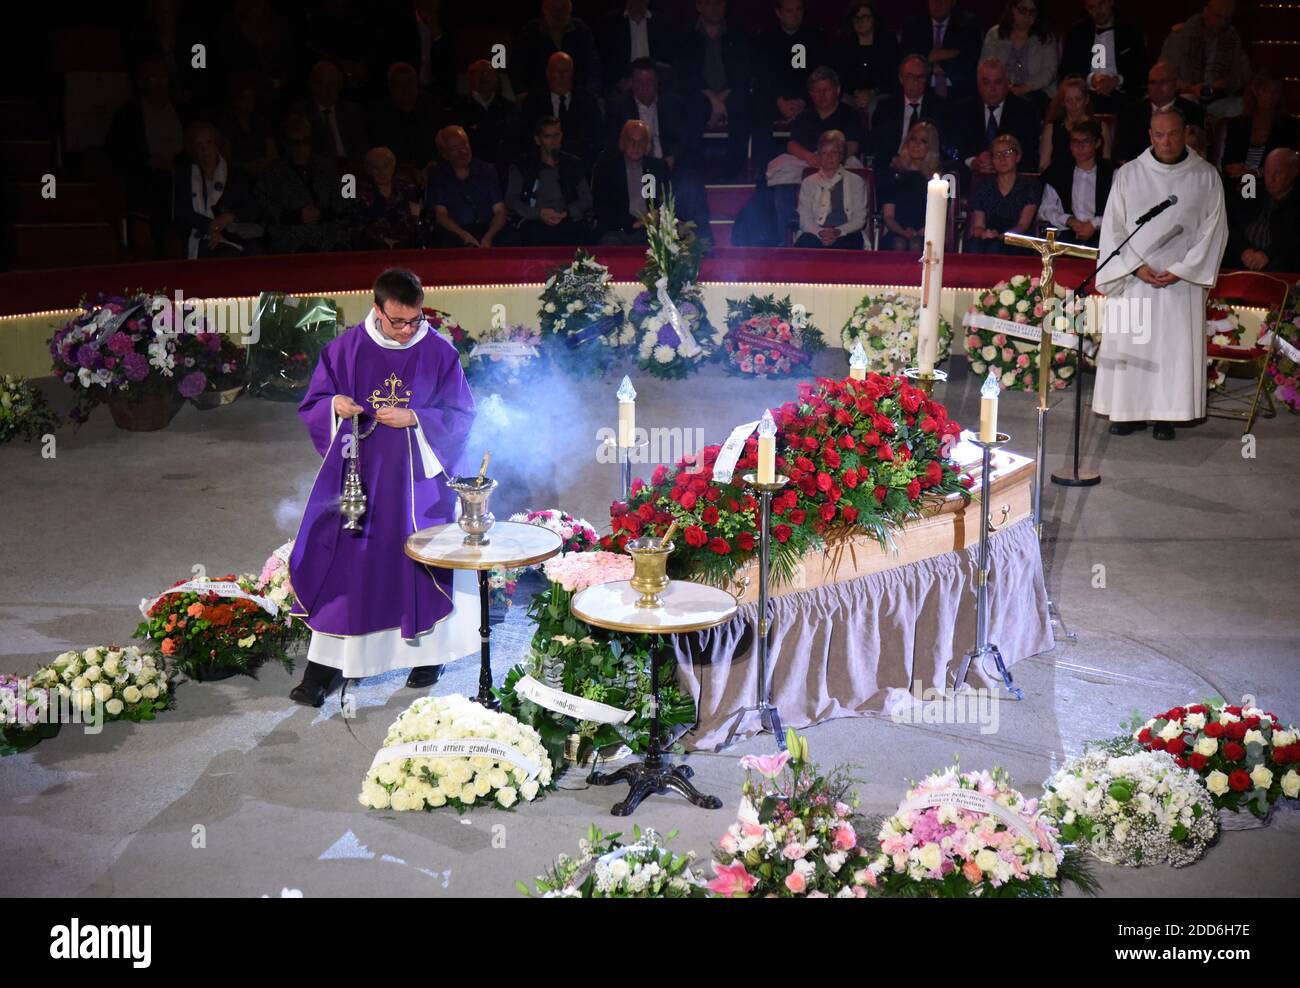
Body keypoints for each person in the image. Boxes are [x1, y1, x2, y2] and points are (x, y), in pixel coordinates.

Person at [288, 268, 478, 706]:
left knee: (418, 561)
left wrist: (416, 417)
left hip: (416, 482)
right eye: (398, 321)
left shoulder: (438, 351)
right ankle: (327, 667)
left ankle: (429, 653)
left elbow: (462, 414)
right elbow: (315, 402)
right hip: (360, 474)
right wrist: (335, 404)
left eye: (415, 320)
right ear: (377, 309)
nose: (408, 329)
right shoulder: (346, 348)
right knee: (347, 562)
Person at [1093, 107, 1229, 440]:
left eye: (1172, 134)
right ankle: (1126, 413)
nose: (1165, 141)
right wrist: (1135, 266)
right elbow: (1113, 227)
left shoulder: (1205, 176)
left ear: (1185, 133)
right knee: (1131, 344)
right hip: (1134, 276)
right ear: (1150, 135)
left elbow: (1214, 230)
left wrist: (1183, 269)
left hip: (1179, 282)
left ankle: (1166, 416)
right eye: (1158, 134)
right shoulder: (1129, 174)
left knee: (1171, 348)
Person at [107, 56, 187, 257]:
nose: (160, 83)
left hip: (184, 175)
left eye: (164, 77)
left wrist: (178, 164)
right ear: (141, 82)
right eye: (153, 78)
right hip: (147, 180)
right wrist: (150, 162)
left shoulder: (184, 110)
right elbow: (119, 152)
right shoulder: (128, 115)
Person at [255, 115, 355, 253]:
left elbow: (344, 200)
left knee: (341, 248)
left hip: (328, 231)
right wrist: (295, 216)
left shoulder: (326, 167)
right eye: (295, 143)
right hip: (290, 234)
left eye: (306, 141)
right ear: (286, 145)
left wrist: (322, 214)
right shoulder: (272, 173)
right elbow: (264, 205)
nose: (301, 148)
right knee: (305, 254)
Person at [677, 0, 752, 180]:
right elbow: (684, 74)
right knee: (690, 107)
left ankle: (732, 172)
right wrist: (711, 96)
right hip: (700, 94)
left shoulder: (738, 34)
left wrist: (723, 95)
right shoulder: (686, 36)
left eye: (720, 3)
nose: (716, 7)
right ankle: (691, 172)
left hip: (731, 92)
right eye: (710, 3)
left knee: (742, 103)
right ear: (699, 6)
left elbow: (744, 71)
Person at [750, 0, 826, 169]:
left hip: (807, 99)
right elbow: (762, 77)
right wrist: (781, 102)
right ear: (779, 13)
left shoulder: (814, 38)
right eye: (789, 11)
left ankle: (816, 167)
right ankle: (762, 173)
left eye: (798, 10)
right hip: (775, 100)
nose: (795, 15)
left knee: (824, 104)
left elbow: (819, 74)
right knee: (758, 110)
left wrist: (803, 100)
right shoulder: (766, 38)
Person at [172, 121, 261, 258]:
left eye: (208, 143)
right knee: (225, 254)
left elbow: (251, 207)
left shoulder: (235, 173)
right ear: (192, 149)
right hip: (199, 235)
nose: (205, 150)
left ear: (216, 143)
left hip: (233, 234)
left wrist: (229, 216)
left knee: (256, 252)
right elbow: (182, 212)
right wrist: (209, 226)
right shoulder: (184, 175)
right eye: (199, 145)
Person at [1159, 0, 1251, 122]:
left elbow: (1243, 74)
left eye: (1227, 19)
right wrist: (1190, 88)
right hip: (1186, 96)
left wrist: (1223, 84)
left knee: (1241, 106)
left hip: (1219, 99)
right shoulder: (1181, 36)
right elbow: (1163, 74)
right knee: (1187, 104)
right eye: (1218, 16)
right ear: (1206, 11)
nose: (1223, 23)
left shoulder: (1232, 39)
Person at [506, 116, 593, 245]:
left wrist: (566, 213)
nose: (554, 141)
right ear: (538, 140)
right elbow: (511, 200)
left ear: (561, 136)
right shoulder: (523, 165)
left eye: (556, 135)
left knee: (577, 234)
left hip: (567, 220)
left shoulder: (573, 164)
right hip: (534, 222)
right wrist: (538, 213)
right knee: (532, 235)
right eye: (548, 137)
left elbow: (586, 199)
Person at [953, 58, 1040, 177]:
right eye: (986, 83)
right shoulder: (964, 109)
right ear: (978, 84)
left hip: (1013, 180)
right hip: (972, 180)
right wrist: (973, 162)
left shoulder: (1025, 111)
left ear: (1007, 83)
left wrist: (1000, 162)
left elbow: (1029, 153)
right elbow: (957, 148)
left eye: (998, 82)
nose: (992, 89)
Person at [518, 52, 605, 172]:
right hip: (541, 168)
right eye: (556, 71)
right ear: (547, 73)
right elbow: (526, 137)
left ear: (573, 73)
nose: (561, 76)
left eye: (566, 71)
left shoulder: (587, 101)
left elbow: (596, 139)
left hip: (581, 168)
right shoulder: (533, 101)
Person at [1058, 0, 1149, 113]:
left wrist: (1117, 80)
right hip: (1087, 94)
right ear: (1086, 9)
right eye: (1092, 7)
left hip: (1123, 94)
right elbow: (1067, 70)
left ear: (1111, 2)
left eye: (1101, 4)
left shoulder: (1130, 30)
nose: (1098, 11)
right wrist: (1090, 79)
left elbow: (1142, 69)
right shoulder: (1077, 32)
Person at [423, 126, 507, 248]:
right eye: (455, 149)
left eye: (464, 145)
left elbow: (500, 210)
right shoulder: (438, 175)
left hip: (488, 227)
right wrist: (464, 235)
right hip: (456, 230)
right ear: (445, 154)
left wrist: (490, 235)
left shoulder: (486, 170)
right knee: (444, 240)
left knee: (507, 238)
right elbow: (441, 214)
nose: (463, 151)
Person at [592, 119, 670, 244]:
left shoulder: (658, 167)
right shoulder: (606, 168)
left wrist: (654, 216)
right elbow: (601, 207)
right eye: (631, 140)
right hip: (616, 229)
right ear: (623, 142)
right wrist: (634, 223)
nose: (635, 147)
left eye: (641, 141)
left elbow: (666, 201)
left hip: (650, 229)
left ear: (647, 145)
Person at [1039, 116, 1114, 246]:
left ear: (1097, 143)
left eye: (1086, 141)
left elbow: (1121, 212)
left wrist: (1094, 224)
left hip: (1103, 235)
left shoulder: (1112, 173)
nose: (1080, 147)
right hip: (1068, 235)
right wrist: (1069, 220)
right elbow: (1045, 210)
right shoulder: (1058, 172)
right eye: (1075, 142)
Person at [1225, 148, 1300, 273]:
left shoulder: (1295, 201)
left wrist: (1268, 254)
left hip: (1279, 267)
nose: (1271, 179)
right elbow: (1230, 224)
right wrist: (1243, 250)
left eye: (1278, 173)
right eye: (1267, 172)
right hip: (1240, 260)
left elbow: (1293, 239)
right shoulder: (1251, 190)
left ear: (1294, 172)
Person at [879, 120, 950, 251]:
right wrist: (902, 231)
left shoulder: (938, 179)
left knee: (917, 244)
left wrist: (919, 233)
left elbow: (939, 216)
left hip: (928, 232)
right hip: (897, 231)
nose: (916, 145)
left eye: (923, 141)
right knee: (899, 243)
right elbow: (888, 216)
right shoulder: (894, 174)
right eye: (913, 139)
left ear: (931, 147)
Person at [1114, 62, 1205, 162]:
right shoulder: (1130, 113)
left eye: (1163, 81)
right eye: (1153, 82)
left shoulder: (1193, 111)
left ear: (1176, 84)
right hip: (1139, 171)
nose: (1157, 87)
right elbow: (1120, 153)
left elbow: (1197, 150)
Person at [979, 0, 1058, 115]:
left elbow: (1049, 72)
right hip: (1001, 88)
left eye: (1032, 12)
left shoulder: (1045, 37)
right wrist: (1003, 85)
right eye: (1023, 10)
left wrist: (1023, 88)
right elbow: (984, 66)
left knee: (1026, 105)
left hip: (1035, 91)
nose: (1027, 17)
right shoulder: (995, 35)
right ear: (1013, 9)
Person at [964, 133, 1039, 253]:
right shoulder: (983, 186)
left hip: (1016, 239)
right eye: (997, 155)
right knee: (974, 246)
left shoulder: (1029, 187)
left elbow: (1022, 226)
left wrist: (1002, 236)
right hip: (989, 237)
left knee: (996, 248)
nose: (1002, 158)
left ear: (1018, 156)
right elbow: (978, 226)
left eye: (1007, 153)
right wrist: (984, 233)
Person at [794, 130, 868, 249]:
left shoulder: (856, 181)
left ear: (841, 155)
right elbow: (804, 219)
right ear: (819, 156)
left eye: (834, 152)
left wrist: (838, 231)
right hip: (815, 234)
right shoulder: (808, 182)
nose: (829, 157)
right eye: (824, 153)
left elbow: (859, 219)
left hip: (846, 234)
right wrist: (820, 233)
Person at [871, 54, 948, 165]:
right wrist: (894, 160)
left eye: (920, 77)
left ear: (927, 80)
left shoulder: (940, 107)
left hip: (927, 166)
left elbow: (942, 146)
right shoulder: (886, 107)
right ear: (901, 79)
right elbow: (878, 144)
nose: (915, 82)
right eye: (910, 76)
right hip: (894, 166)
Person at [368, 62, 444, 172]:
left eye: (411, 83)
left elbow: (443, 144)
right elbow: (379, 152)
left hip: (431, 171)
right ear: (391, 88)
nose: (407, 89)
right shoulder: (379, 115)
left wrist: (434, 163)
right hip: (395, 174)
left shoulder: (431, 108)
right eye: (401, 85)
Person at [1221, 70, 1298, 179]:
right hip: (1239, 182)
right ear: (1256, 91)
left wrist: (1257, 173)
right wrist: (1232, 168)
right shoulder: (1237, 124)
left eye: (1275, 92)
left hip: (1271, 184)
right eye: (1265, 90)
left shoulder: (1289, 126)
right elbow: (1227, 161)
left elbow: (1285, 164)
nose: (1270, 96)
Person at [289, 60, 369, 165]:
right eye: (323, 84)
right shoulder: (301, 112)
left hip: (352, 169)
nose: (329, 90)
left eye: (333, 84)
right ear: (313, 85)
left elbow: (362, 145)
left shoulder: (352, 110)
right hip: (319, 170)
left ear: (340, 86)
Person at [899, 0, 982, 100]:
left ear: (953, 2)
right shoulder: (914, 23)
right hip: (922, 89)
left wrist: (930, 59)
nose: (937, 3)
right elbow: (906, 57)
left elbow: (969, 60)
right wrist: (948, 54)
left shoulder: (968, 24)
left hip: (956, 90)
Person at [516, 0, 601, 96]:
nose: (558, 14)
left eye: (562, 9)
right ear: (545, 10)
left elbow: (593, 63)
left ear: (570, 10)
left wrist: (591, 91)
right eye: (554, 10)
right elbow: (517, 65)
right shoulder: (531, 32)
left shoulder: (581, 30)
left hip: (577, 96)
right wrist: (521, 92)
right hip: (539, 96)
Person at [453, 61, 519, 182]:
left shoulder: (509, 108)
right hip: (470, 174)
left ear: (496, 78)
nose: (483, 76)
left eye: (488, 72)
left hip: (503, 173)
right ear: (468, 77)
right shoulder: (458, 110)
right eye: (477, 73)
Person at [833, 1, 901, 118]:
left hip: (880, 93)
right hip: (851, 94)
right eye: (856, 18)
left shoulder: (888, 41)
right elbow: (839, 75)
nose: (860, 21)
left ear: (874, 19)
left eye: (865, 17)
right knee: (840, 103)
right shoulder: (843, 42)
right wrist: (856, 93)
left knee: (875, 106)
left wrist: (871, 93)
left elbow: (892, 76)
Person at [596, 0, 674, 95]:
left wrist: (654, 82)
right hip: (622, 89)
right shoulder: (609, 24)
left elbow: (669, 59)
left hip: (657, 87)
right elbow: (603, 61)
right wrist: (619, 83)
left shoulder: (662, 23)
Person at [1039, 75, 1112, 172]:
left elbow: (1106, 165)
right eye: (1069, 100)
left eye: (1078, 99)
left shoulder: (1101, 128)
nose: (1074, 105)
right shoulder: (1051, 129)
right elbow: (1044, 165)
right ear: (1063, 102)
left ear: (1086, 100)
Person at [357, 147, 422, 249]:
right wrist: (382, 239)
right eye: (376, 168)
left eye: (385, 166)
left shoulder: (408, 189)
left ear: (393, 167)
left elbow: (416, 219)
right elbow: (359, 226)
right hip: (375, 246)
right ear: (369, 170)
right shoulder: (361, 192)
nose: (381, 172)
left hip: (405, 244)